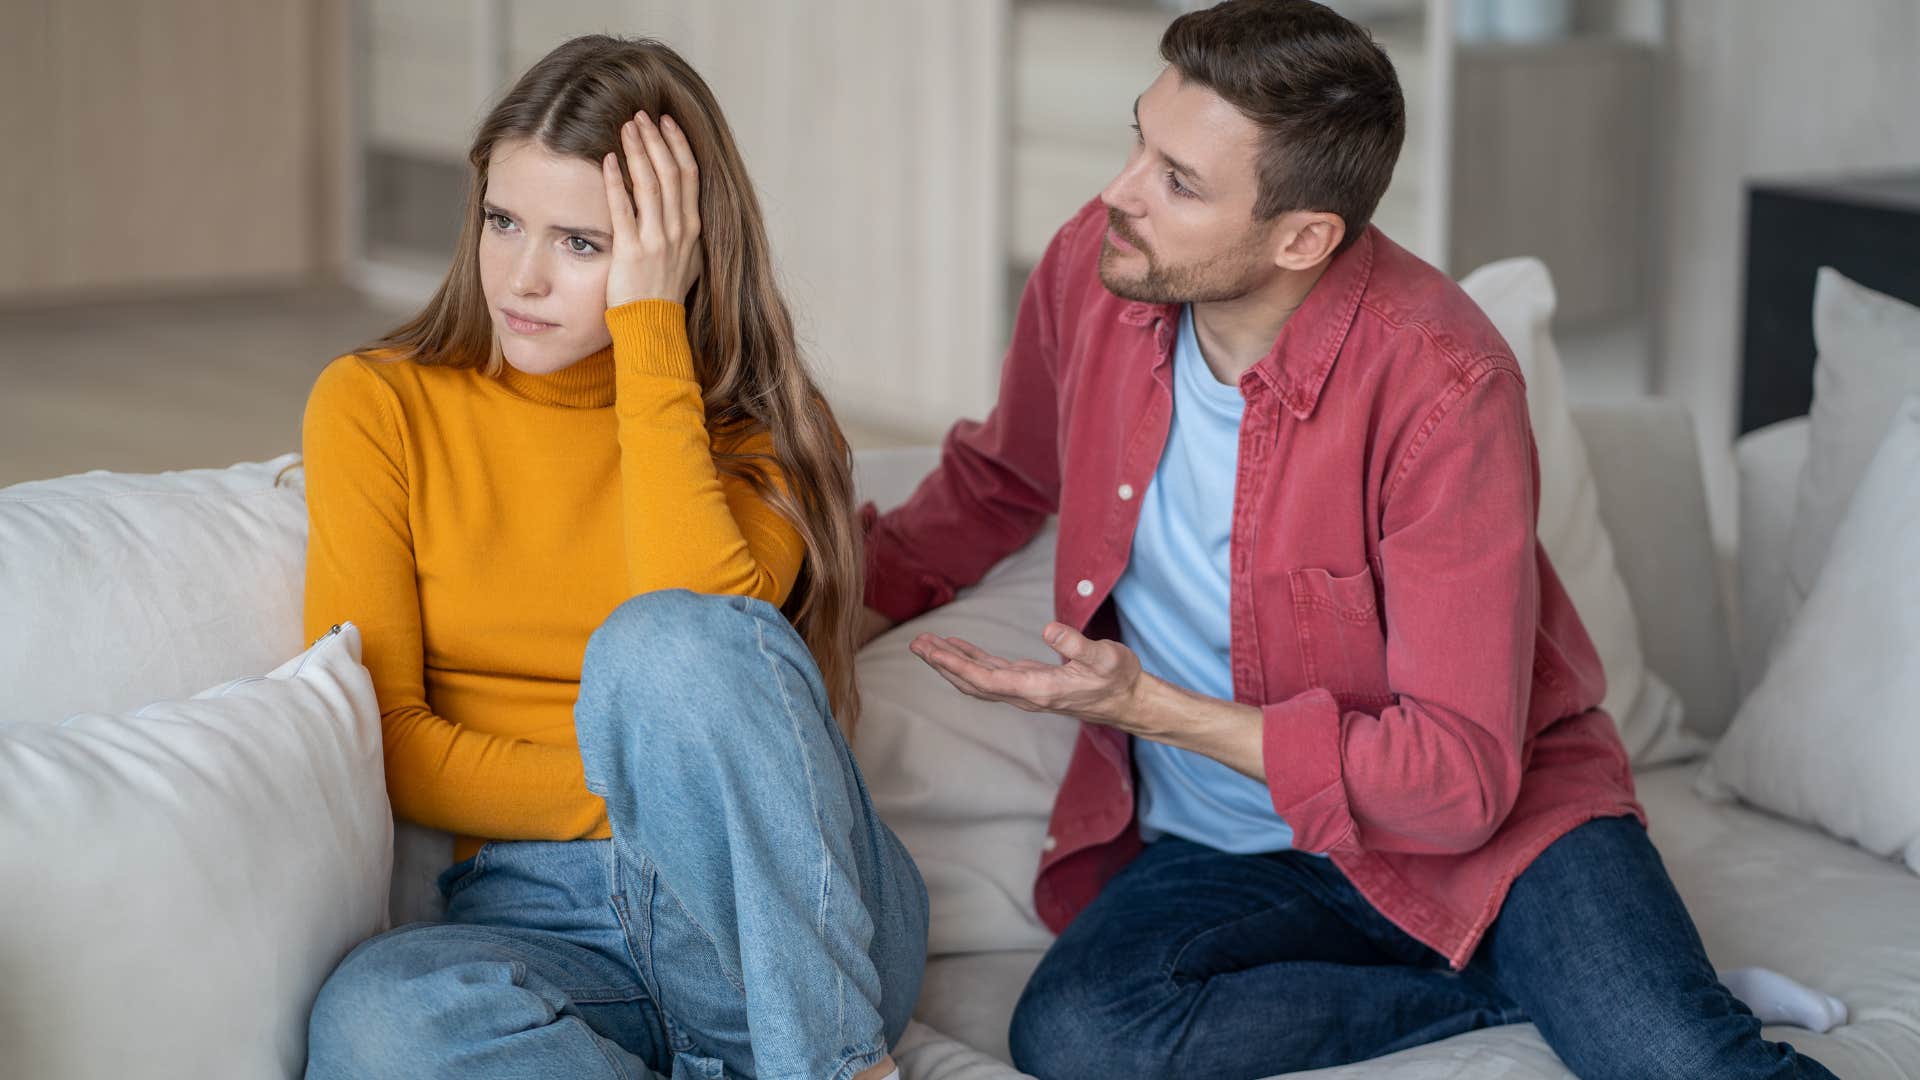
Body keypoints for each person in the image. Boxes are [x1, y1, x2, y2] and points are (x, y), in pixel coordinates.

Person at [857, 2, 1840, 1077]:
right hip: (1233, 850)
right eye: (1139, 141)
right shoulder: (1097, 275)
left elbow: (1459, 782)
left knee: (1687, 1062)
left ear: (1304, 237)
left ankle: (1584, 984)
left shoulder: (1443, 384)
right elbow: (996, 480)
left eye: (1178, 182)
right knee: (1079, 1034)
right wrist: (801, 608)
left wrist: (1150, 710)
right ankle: (1516, 988)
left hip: (1494, 840)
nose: (1119, 194)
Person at [301, 34, 924, 1080]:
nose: (524, 278)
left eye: (584, 245)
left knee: (666, 640)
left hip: (772, 927)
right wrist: (653, 787)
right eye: (503, 222)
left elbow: (706, 640)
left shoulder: (762, 428)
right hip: (538, 914)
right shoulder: (378, 404)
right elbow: (394, 741)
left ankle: (835, 1066)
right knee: (376, 1020)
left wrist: (647, 330)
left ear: (674, 254)